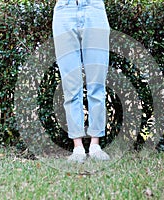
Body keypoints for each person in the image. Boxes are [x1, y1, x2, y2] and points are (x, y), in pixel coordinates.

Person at [52, 0, 110, 162]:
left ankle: (95, 145)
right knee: (71, 85)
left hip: (94, 9)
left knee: (97, 83)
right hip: (64, 10)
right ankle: (77, 146)